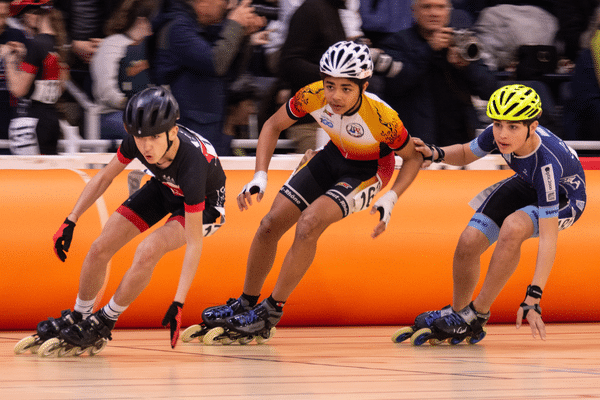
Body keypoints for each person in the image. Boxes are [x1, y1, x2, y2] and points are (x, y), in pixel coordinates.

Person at [198, 41, 423, 342]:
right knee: (268, 225)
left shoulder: (383, 119)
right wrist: (260, 177)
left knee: (308, 224)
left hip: (367, 171)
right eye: (330, 86)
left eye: (346, 88)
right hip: (331, 156)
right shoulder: (313, 96)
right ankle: (247, 302)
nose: (335, 96)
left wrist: (392, 196)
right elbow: (272, 125)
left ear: (363, 86)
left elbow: (413, 157)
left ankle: (271, 310)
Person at [32, 87, 226, 356]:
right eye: (140, 137)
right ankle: (80, 315)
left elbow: (194, 244)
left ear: (172, 131)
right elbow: (103, 178)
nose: (146, 146)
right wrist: (71, 219)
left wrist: (179, 301)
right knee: (100, 247)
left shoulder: (193, 164)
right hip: (165, 187)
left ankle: (106, 320)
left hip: (204, 205)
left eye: (155, 137)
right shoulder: (139, 141)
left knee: (148, 250)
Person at [403, 84, 586, 344]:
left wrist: (534, 296)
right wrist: (436, 153)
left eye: (512, 127)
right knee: (468, 241)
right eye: (498, 124)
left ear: (532, 127)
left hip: (564, 197)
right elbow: (467, 152)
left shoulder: (547, 164)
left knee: (513, 227)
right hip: (527, 180)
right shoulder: (500, 133)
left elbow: (548, 240)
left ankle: (477, 314)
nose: (502, 134)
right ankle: (459, 313)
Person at [151, 0, 265, 157]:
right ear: (202, 2)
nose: (225, 5)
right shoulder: (177, 29)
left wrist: (242, 35)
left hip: (209, 129)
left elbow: (231, 73)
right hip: (187, 132)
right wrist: (235, 25)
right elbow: (216, 62)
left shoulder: (201, 28)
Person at [379, 0, 497, 147]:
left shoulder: (462, 41)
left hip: (460, 142)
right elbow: (396, 85)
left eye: (440, 7)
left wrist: (466, 66)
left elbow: (491, 91)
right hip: (415, 142)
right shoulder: (396, 43)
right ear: (413, 11)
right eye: (426, 7)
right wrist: (429, 49)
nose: (434, 13)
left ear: (449, 11)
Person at [275, 0, 347, 154]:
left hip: (335, 120)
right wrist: (334, 78)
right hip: (311, 123)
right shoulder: (311, 10)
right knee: (317, 175)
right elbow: (289, 61)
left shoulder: (331, 11)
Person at [3, 0, 68, 155]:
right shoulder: (58, 43)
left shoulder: (36, 44)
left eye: (26, 14)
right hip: (52, 119)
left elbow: (18, 89)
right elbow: (61, 87)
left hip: (32, 123)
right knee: (48, 175)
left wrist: (9, 61)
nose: (25, 19)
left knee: (29, 175)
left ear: (35, 15)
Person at [90, 0, 156, 142]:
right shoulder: (112, 44)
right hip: (111, 114)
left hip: (145, 114)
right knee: (143, 133)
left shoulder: (151, 49)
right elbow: (105, 90)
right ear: (142, 21)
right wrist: (129, 104)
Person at [0, 0, 27, 154]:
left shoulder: (15, 35)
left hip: (11, 110)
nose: (1, 22)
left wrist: (24, 57)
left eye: (4, 16)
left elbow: (30, 74)